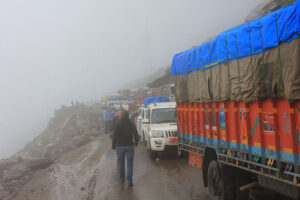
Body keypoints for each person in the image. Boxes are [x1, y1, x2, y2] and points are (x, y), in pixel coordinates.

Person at [112, 110, 138, 187]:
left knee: (121, 163)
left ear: (122, 115)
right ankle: (130, 181)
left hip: (120, 146)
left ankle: (122, 179)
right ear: (128, 115)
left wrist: (113, 146)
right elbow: (136, 134)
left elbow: (114, 136)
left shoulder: (118, 124)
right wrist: (136, 143)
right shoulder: (131, 123)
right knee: (129, 164)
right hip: (129, 146)